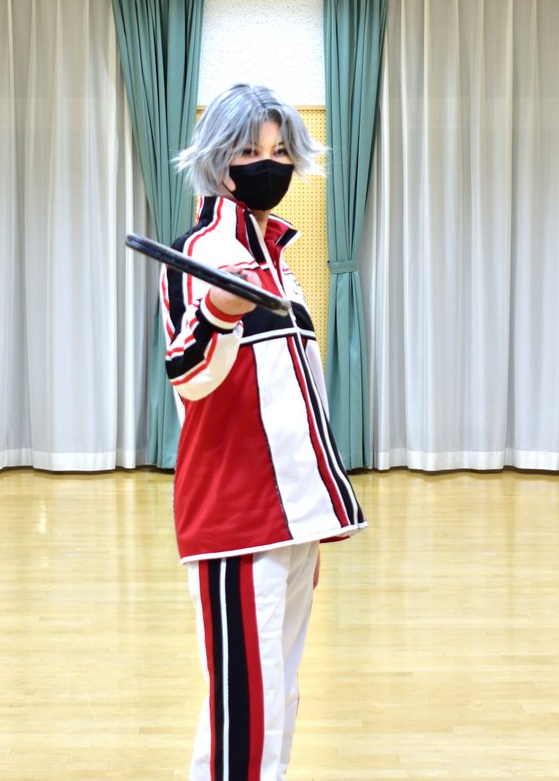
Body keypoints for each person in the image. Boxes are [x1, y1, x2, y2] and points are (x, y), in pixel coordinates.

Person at [164, 83, 367, 781]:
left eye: (280, 152)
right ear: (220, 160)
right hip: (235, 517)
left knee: (276, 689)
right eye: (251, 151)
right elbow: (188, 376)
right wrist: (219, 310)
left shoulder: (279, 262)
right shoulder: (199, 252)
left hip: (294, 514)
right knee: (243, 704)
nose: (268, 166)